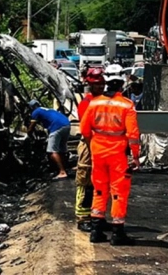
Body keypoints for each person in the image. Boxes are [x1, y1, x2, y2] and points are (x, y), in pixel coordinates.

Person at [79, 64, 140, 245]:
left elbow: (84, 129)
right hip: (118, 155)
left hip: (98, 152)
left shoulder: (94, 103)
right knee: (118, 192)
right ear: (122, 83)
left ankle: (96, 232)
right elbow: (133, 135)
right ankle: (117, 234)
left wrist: (95, 143)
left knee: (99, 190)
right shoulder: (127, 105)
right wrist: (135, 156)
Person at [75, 67, 106, 232]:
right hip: (89, 145)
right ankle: (83, 218)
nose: (100, 87)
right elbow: (87, 130)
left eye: (102, 84)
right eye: (97, 85)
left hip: (102, 145)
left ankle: (97, 216)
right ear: (90, 85)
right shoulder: (86, 103)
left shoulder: (102, 102)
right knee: (85, 181)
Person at [27, 100, 71, 179]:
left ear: (31, 107)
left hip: (56, 127)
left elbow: (31, 127)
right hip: (66, 125)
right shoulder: (47, 109)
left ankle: (62, 171)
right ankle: (66, 168)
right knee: (61, 149)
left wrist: (29, 134)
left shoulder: (36, 112)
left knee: (51, 151)